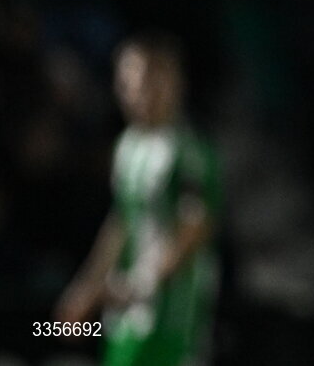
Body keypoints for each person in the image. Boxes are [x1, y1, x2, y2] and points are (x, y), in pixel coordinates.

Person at [55, 33, 222, 366]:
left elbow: (194, 228)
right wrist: (86, 286)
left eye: (148, 80)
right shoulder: (127, 147)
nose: (137, 93)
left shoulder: (188, 152)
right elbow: (122, 221)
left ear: (174, 83)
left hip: (174, 308)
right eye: (127, 82)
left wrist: (140, 284)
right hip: (128, 309)